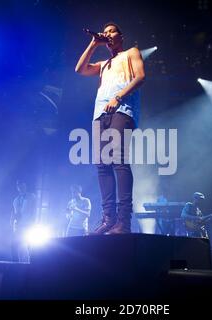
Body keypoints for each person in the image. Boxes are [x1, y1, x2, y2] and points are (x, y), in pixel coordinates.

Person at [75, 22, 145, 234]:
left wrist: (118, 97)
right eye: (104, 32)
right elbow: (80, 69)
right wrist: (94, 43)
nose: (107, 34)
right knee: (102, 165)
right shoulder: (104, 64)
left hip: (122, 109)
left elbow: (141, 77)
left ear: (121, 36)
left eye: (111, 31)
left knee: (118, 161)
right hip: (100, 114)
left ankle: (124, 221)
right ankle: (109, 218)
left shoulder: (131, 52)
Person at [11, 180, 37, 262]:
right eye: (18, 185)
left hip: (28, 224)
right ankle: (16, 262)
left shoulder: (31, 196)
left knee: (29, 243)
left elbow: (34, 210)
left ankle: (31, 261)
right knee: (16, 244)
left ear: (25, 185)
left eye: (22, 185)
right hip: (19, 225)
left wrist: (34, 222)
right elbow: (15, 213)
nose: (20, 187)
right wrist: (13, 222)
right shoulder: (15, 200)